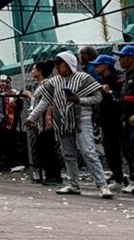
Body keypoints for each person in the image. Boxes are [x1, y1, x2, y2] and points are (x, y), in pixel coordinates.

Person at [26, 50, 111, 198]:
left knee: (88, 151)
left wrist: (80, 100)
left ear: (69, 64)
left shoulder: (84, 78)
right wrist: (32, 117)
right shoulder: (54, 82)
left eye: (60, 64)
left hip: (82, 118)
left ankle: (102, 185)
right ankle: (73, 183)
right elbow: (45, 101)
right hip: (63, 120)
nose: (57, 67)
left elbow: (97, 97)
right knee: (68, 154)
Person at [21, 60, 63, 186]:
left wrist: (48, 116)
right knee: (45, 148)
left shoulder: (46, 84)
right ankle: (52, 175)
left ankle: (53, 175)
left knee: (47, 148)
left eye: (34, 69)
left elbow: (49, 101)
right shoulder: (41, 85)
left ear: (40, 71)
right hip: (40, 120)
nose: (32, 71)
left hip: (45, 120)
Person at [91, 53, 125, 190]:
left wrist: (108, 92)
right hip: (106, 119)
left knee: (120, 149)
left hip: (116, 119)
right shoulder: (100, 81)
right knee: (110, 149)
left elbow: (119, 99)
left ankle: (120, 177)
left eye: (98, 65)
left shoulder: (117, 80)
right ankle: (118, 176)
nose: (95, 68)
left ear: (106, 66)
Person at [115, 44, 134, 193]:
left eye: (122, 57)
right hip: (127, 118)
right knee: (129, 149)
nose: (120, 60)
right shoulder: (127, 76)